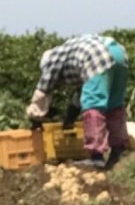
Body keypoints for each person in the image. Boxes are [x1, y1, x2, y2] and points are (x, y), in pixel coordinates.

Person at [26, 34, 129, 169]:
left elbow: (42, 93)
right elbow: (81, 94)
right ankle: (119, 149)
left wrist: (35, 117)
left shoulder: (51, 61)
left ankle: (96, 156)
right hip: (118, 53)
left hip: (96, 56)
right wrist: (70, 118)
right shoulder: (70, 54)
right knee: (114, 105)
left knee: (93, 105)